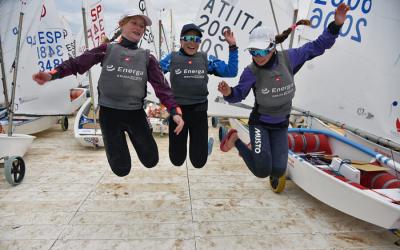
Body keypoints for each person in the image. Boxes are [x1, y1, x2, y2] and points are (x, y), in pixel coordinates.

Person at [32, 9, 184, 177]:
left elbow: (162, 87)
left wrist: (174, 111)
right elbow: (76, 64)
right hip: (109, 114)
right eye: (134, 23)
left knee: (151, 160)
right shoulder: (107, 49)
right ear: (121, 25)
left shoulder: (147, 58)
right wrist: (52, 74)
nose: (139, 28)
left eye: (142, 26)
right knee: (121, 169)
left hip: (135, 114)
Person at [217, 3, 350, 191]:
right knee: (262, 170)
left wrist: (336, 24)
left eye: (262, 51)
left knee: (278, 170)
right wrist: (228, 92)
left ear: (272, 47)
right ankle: (235, 140)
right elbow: (237, 95)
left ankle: (260, 149)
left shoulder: (289, 58)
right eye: (254, 51)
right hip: (260, 122)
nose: (258, 56)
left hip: (281, 124)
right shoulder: (251, 72)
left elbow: (319, 46)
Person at [159, 23, 238, 168]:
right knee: (176, 160)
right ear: (181, 41)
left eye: (196, 39)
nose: (192, 42)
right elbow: (154, 73)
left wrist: (232, 46)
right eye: (188, 38)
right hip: (178, 114)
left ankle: (204, 147)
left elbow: (231, 71)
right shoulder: (172, 57)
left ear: (199, 43)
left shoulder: (205, 59)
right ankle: (195, 148)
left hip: (199, 112)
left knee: (198, 162)